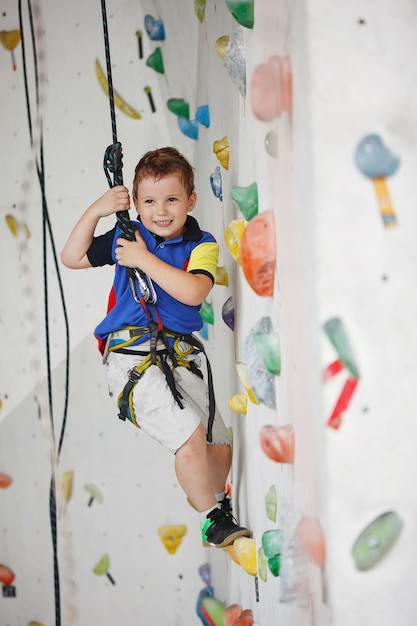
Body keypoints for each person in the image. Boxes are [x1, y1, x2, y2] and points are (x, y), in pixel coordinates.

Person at [61, 146, 251, 548]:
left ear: (190, 201)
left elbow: (194, 291)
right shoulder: (128, 235)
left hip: (179, 355)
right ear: (136, 204)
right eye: (148, 201)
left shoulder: (201, 243)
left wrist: (143, 260)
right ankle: (211, 520)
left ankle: (215, 505)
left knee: (218, 450)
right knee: (190, 440)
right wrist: (97, 210)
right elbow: (72, 256)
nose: (160, 211)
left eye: (171, 199)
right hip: (132, 356)